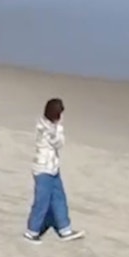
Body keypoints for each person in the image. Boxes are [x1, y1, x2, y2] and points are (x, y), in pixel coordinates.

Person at [23, 97, 85, 243]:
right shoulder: (47, 128)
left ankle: (65, 229)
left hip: (53, 168)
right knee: (42, 201)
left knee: (59, 198)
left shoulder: (46, 124)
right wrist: (58, 127)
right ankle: (32, 231)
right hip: (43, 170)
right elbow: (58, 143)